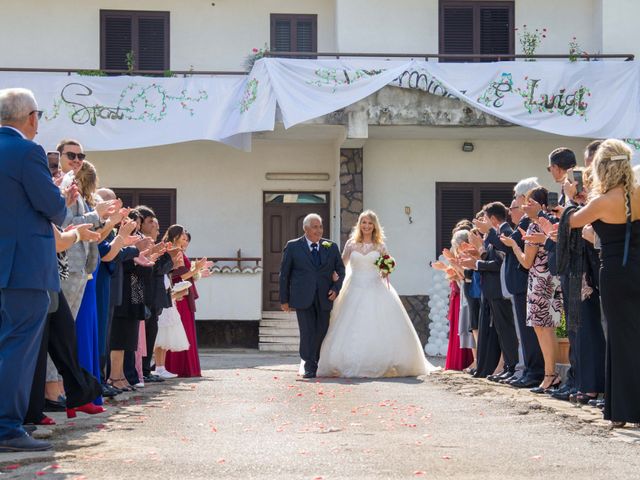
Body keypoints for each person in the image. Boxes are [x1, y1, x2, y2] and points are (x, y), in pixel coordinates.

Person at [0, 88, 67, 452]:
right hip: (22, 268)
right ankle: (7, 427)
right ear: (29, 118)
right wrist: (63, 199)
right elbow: (52, 206)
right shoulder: (28, 151)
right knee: (16, 349)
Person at [564, 139, 640, 428]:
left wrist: (571, 197)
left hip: (616, 276)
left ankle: (623, 411)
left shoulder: (601, 202)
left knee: (620, 341)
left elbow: (572, 222)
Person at [317, 211, 434, 378]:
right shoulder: (351, 244)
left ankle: (382, 361)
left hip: (376, 287)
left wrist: (386, 269)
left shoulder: (380, 246)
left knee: (379, 323)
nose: (366, 226)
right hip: (354, 287)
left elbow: (386, 265)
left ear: (374, 226)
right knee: (350, 326)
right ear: (359, 224)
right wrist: (333, 276)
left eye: (370, 223)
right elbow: (342, 265)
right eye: (363, 222)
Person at [500, 187, 564, 393]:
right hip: (548, 279)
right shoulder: (547, 224)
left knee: (543, 329)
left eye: (530, 202)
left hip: (540, 280)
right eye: (525, 202)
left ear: (543, 206)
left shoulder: (536, 228)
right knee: (546, 329)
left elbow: (527, 262)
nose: (525, 205)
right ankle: (550, 375)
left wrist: (514, 246)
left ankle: (549, 375)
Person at [279, 214, 345, 379]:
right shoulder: (293, 246)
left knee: (321, 330)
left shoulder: (331, 246)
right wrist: (284, 299)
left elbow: (341, 270)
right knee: (307, 331)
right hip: (302, 296)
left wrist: (336, 288)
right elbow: (284, 275)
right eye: (315, 227)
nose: (319, 230)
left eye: (320, 226)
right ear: (306, 229)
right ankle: (309, 365)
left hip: (324, 296)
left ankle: (315, 360)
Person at [164, 226, 207, 378]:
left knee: (186, 332)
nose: (185, 239)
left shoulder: (180, 252)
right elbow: (176, 278)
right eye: (183, 236)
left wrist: (199, 272)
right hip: (179, 296)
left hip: (185, 295)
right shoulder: (173, 252)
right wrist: (197, 270)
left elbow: (185, 275)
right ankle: (178, 367)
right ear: (175, 236)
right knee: (180, 331)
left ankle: (186, 367)